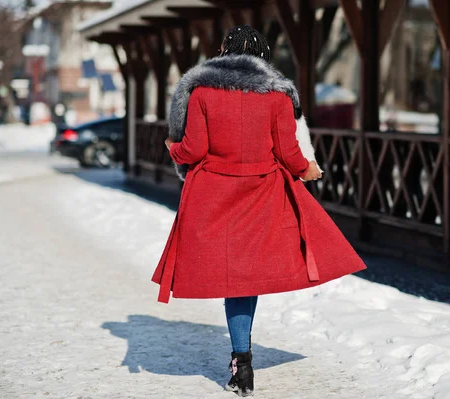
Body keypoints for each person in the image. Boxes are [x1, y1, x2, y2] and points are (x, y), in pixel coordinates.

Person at [152, 25, 367, 397]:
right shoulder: (278, 98)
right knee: (247, 279)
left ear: (224, 53)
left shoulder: (201, 93)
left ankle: (240, 358)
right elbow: (287, 152)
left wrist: (172, 146)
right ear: (264, 58)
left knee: (229, 278)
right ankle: (244, 363)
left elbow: (194, 150)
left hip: (213, 194)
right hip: (261, 192)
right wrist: (307, 169)